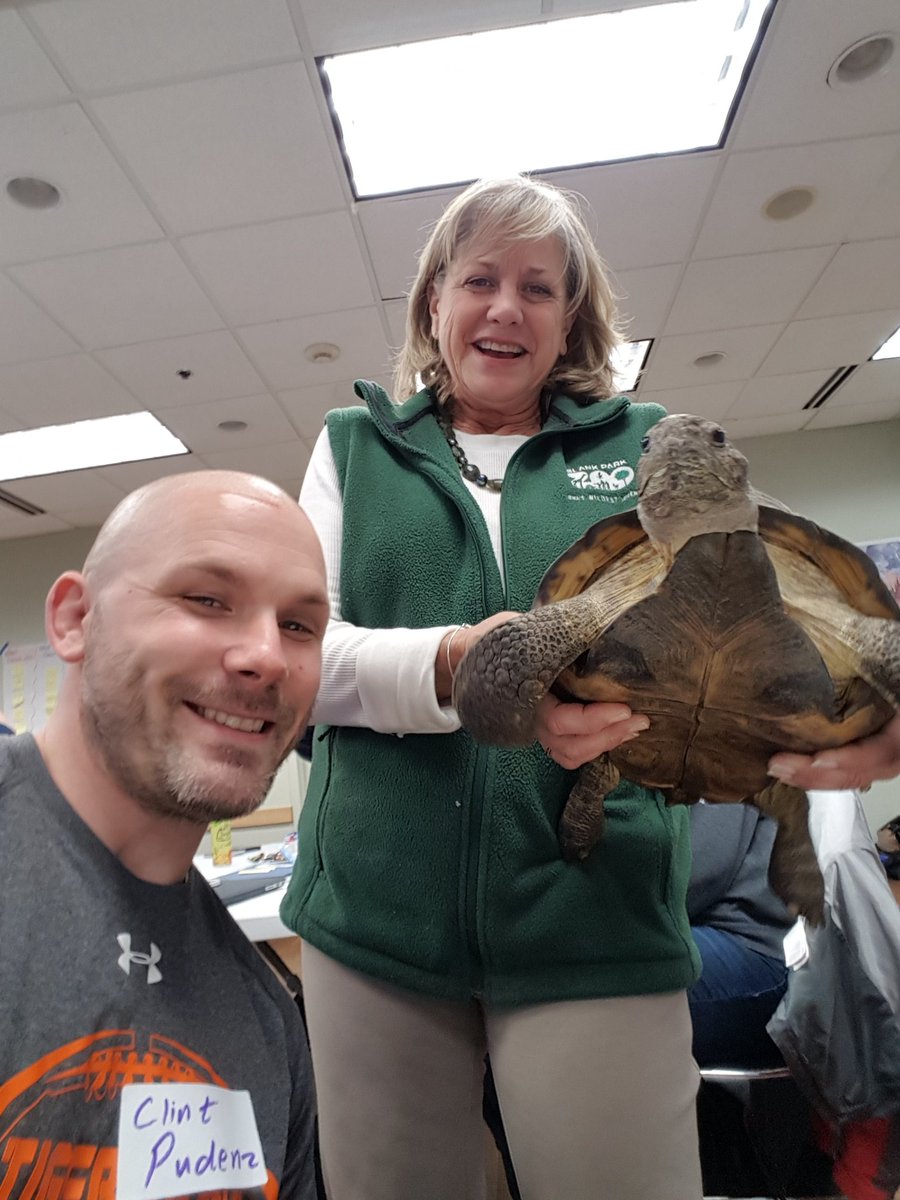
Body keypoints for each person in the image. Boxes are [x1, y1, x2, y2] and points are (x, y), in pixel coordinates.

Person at [278, 173, 900, 1200]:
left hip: (597, 917)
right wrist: (455, 665)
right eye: (479, 278)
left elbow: (801, 588)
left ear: (572, 315)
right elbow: (304, 656)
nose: (506, 307)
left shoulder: (649, 446)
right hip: (375, 922)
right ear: (434, 299)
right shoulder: (354, 450)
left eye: (540, 285)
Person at [0, 470, 328, 1199]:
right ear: (75, 620)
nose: (267, 656)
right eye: (207, 600)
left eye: (299, 625)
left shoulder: (266, 1025)